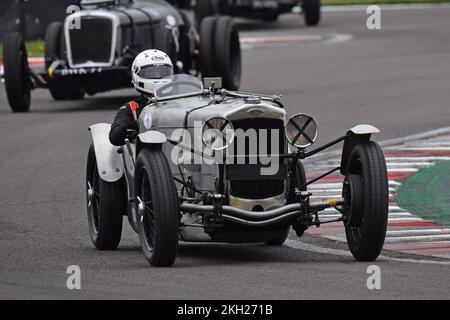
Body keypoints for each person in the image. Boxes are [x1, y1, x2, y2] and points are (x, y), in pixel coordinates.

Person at [109, 49, 174, 146]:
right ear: (136, 74)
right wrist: (141, 123)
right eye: (151, 73)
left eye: (163, 73)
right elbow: (114, 137)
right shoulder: (131, 108)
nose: (158, 77)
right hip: (149, 155)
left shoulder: (179, 102)